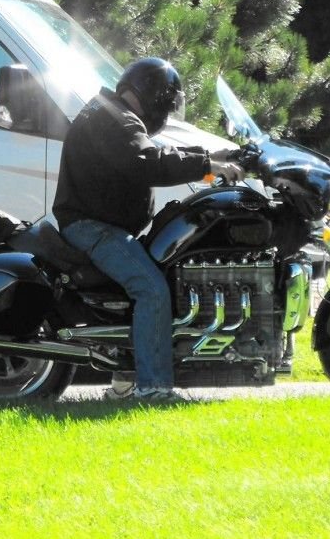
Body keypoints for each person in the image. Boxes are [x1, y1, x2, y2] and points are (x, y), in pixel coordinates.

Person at [52, 57, 243, 402]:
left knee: (145, 283)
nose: (166, 116)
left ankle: (125, 382)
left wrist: (211, 154)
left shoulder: (110, 113)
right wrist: (206, 166)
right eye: (167, 107)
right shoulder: (118, 121)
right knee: (151, 289)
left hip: (97, 223)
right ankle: (153, 388)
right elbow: (146, 162)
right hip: (92, 227)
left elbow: (150, 152)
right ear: (155, 97)